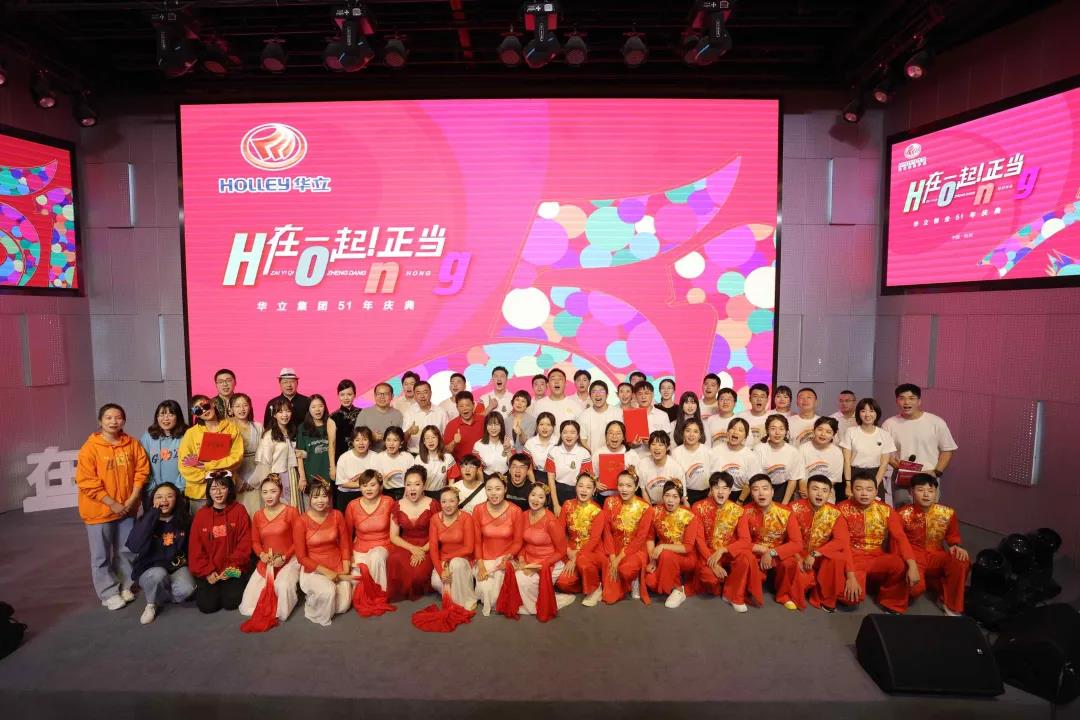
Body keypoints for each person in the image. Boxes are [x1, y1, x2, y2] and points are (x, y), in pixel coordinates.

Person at [76, 403, 151, 611]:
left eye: (117, 417)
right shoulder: (90, 448)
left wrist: (131, 499)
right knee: (101, 555)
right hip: (99, 511)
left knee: (126, 550)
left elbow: (141, 471)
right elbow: (87, 482)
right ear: (100, 421)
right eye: (108, 418)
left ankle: (125, 585)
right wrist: (112, 503)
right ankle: (108, 593)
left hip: (127, 509)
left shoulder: (132, 444)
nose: (113, 421)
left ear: (123, 421)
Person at [838, 476, 919, 614]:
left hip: (876, 556)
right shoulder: (841, 509)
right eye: (859, 489)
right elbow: (843, 544)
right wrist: (850, 577)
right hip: (852, 557)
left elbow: (900, 538)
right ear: (851, 490)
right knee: (850, 598)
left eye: (869, 489)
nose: (864, 493)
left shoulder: (885, 509)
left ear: (876, 492)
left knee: (899, 565)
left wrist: (913, 565)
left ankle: (892, 603)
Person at [725, 474, 803, 612]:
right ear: (751, 494)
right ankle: (737, 594)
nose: (761, 493)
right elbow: (741, 541)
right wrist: (761, 549)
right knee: (744, 557)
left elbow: (797, 543)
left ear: (772, 491)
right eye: (755, 489)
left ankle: (784, 596)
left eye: (765, 488)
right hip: (754, 553)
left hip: (777, 553)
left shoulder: (786, 512)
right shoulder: (745, 512)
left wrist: (772, 552)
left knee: (790, 562)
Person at [897, 474, 970, 616]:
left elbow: (953, 536)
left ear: (936, 493)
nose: (926, 495)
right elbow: (897, 542)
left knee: (960, 560)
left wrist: (956, 545)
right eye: (920, 490)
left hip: (936, 554)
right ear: (911, 492)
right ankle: (933, 583)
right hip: (913, 556)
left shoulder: (947, 513)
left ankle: (951, 604)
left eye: (930, 491)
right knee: (914, 589)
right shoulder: (902, 514)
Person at [126, 482, 194, 624]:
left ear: (176, 499)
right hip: (151, 569)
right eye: (159, 497)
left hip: (175, 567)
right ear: (152, 501)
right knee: (158, 575)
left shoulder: (184, 520)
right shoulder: (146, 520)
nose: (164, 500)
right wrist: (152, 515)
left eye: (169, 496)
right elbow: (134, 546)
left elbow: (190, 548)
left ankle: (161, 595)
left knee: (187, 590)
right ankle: (151, 604)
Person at [781, 475, 851, 612]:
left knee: (837, 558)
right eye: (815, 489)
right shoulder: (793, 508)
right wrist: (797, 557)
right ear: (807, 491)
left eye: (824, 491)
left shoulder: (835, 513)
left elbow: (841, 541)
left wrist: (815, 553)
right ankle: (789, 594)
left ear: (829, 494)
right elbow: (786, 537)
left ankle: (825, 599)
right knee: (794, 571)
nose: (819, 494)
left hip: (820, 555)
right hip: (796, 553)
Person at [239, 475, 301, 623]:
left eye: (273, 491)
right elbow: (255, 541)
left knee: (282, 587)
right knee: (249, 602)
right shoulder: (258, 515)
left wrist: (284, 557)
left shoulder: (291, 512)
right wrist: (261, 555)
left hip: (290, 558)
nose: (269, 496)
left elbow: (299, 541)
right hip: (268, 560)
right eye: (265, 492)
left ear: (280, 491)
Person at [883, 383, 958, 506]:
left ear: (919, 401)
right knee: (902, 511)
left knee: (928, 513)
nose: (906, 402)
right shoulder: (889, 424)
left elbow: (947, 449)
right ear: (897, 401)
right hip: (902, 476)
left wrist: (936, 472)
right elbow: (884, 451)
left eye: (911, 398)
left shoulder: (936, 422)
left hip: (928, 475)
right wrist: (896, 465)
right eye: (902, 398)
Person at [188, 471, 253, 614]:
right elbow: (195, 549)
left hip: (234, 568)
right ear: (209, 491)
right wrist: (207, 572)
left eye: (222, 488)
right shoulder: (201, 515)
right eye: (213, 488)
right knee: (207, 606)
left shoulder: (239, 510)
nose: (218, 492)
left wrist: (231, 569)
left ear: (229, 489)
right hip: (209, 570)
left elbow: (245, 543)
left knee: (232, 602)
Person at [293, 480, 352, 626]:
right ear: (309, 498)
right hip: (314, 568)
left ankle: (322, 596)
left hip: (336, 563)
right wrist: (326, 572)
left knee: (342, 606)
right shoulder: (301, 521)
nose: (320, 501)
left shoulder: (337, 515)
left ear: (329, 497)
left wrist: (346, 566)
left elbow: (345, 544)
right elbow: (301, 557)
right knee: (328, 592)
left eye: (324, 496)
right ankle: (312, 600)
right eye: (315, 497)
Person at [514, 483, 576, 616]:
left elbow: (561, 551)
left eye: (541, 497)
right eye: (533, 495)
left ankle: (533, 607)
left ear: (545, 500)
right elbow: (521, 542)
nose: (536, 500)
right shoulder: (523, 515)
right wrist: (521, 559)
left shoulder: (551, 521)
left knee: (521, 580)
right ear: (528, 496)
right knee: (511, 575)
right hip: (528, 559)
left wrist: (540, 566)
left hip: (549, 562)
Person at [691, 472, 752, 601]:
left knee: (746, 558)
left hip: (728, 552)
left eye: (725, 488)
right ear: (711, 489)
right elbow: (699, 539)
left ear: (730, 491)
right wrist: (712, 563)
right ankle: (722, 585)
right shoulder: (698, 507)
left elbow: (745, 540)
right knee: (710, 579)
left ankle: (733, 592)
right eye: (716, 488)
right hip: (707, 553)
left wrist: (723, 550)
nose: (720, 492)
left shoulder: (738, 511)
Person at [178, 395, 243, 512]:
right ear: (195, 414)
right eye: (198, 410)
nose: (204, 410)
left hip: (225, 490)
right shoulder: (190, 434)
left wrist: (207, 466)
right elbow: (185, 466)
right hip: (200, 494)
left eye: (206, 406)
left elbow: (236, 458)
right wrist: (209, 476)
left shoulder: (231, 428)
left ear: (213, 403)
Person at [472, 475, 524, 615]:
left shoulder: (515, 511)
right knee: (485, 592)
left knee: (495, 596)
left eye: (498, 489)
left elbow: (518, 541)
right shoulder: (478, 509)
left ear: (505, 489)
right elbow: (477, 541)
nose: (493, 493)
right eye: (489, 489)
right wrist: (481, 566)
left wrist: (508, 557)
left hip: (505, 558)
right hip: (485, 558)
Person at [645, 481, 702, 608]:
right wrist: (652, 561)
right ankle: (671, 580)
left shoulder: (689, 515)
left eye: (675, 497)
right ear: (662, 496)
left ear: (680, 498)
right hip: (661, 555)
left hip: (686, 557)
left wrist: (663, 546)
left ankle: (678, 590)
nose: (670, 500)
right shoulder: (655, 511)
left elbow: (688, 547)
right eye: (667, 495)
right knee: (650, 582)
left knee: (666, 555)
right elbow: (649, 538)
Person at [601, 470, 655, 604]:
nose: (624, 489)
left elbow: (640, 538)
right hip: (614, 546)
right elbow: (607, 532)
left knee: (625, 569)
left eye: (629, 486)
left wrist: (619, 558)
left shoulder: (645, 507)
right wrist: (612, 557)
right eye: (621, 485)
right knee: (610, 590)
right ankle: (624, 585)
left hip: (636, 548)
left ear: (636, 487)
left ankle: (634, 578)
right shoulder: (609, 502)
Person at [554, 474, 606, 607]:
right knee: (563, 583)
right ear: (575, 487)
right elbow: (559, 533)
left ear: (594, 490)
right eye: (580, 486)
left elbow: (594, 540)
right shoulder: (567, 505)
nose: (584, 490)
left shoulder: (597, 511)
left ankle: (595, 588)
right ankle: (584, 581)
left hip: (592, 551)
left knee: (583, 562)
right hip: (570, 549)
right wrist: (567, 550)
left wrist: (575, 558)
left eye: (588, 487)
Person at [386, 466, 435, 602]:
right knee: (394, 559)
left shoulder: (433, 504)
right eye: (408, 484)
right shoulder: (397, 505)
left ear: (424, 485)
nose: (412, 488)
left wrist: (422, 550)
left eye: (417, 484)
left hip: (427, 544)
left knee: (418, 575)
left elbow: (437, 535)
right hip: (406, 544)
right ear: (404, 486)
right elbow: (394, 536)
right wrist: (413, 549)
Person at [344, 469, 393, 593]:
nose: (368, 489)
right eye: (364, 485)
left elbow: (395, 531)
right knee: (354, 580)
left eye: (373, 485)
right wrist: (349, 556)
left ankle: (378, 595)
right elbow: (347, 534)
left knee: (376, 557)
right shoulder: (352, 505)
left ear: (380, 486)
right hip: (360, 548)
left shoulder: (388, 502)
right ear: (360, 487)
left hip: (383, 547)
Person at [429, 486, 477, 610]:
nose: (448, 505)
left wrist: (446, 558)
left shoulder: (466, 518)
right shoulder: (435, 519)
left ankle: (464, 600)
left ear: (458, 501)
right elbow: (433, 549)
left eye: (452, 501)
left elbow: (469, 548)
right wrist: (441, 571)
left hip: (463, 559)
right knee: (436, 582)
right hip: (444, 560)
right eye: (444, 501)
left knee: (456, 564)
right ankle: (458, 592)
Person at [840, 398, 895, 501]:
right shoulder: (850, 432)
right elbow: (846, 461)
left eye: (871, 411)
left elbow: (884, 464)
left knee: (877, 509)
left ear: (877, 413)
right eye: (863, 411)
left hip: (875, 475)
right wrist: (848, 484)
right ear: (858, 413)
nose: (867, 414)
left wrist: (875, 485)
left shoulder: (884, 435)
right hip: (854, 474)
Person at [139, 400, 188, 508]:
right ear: (157, 417)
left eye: (170, 414)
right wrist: (155, 491)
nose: (166, 418)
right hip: (153, 493)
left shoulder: (187, 435)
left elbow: (189, 465)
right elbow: (142, 466)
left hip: (180, 492)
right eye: (162, 414)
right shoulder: (147, 437)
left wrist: (177, 490)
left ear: (178, 417)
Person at [256, 398, 304, 507]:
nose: (285, 415)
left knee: (294, 506)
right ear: (274, 415)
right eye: (280, 412)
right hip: (277, 476)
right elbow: (264, 463)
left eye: (288, 411)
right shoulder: (269, 435)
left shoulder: (291, 432)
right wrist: (269, 483)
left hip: (292, 474)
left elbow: (297, 453)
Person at [749, 414, 805, 504]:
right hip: (762, 488)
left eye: (781, 429)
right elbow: (756, 477)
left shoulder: (793, 451)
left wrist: (784, 504)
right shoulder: (759, 449)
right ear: (767, 430)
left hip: (784, 490)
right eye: (773, 429)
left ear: (786, 431)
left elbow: (793, 480)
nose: (777, 433)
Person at [543, 420, 593, 506]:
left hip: (577, 493)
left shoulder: (584, 453)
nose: (568, 436)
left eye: (573, 432)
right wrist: (556, 505)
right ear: (561, 435)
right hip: (557, 492)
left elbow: (586, 480)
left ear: (578, 435)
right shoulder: (553, 451)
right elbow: (551, 480)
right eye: (565, 432)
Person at [229, 393, 264, 515]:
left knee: (256, 510)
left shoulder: (258, 427)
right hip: (235, 473)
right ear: (231, 409)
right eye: (237, 406)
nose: (242, 409)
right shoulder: (227, 428)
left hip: (256, 472)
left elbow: (264, 455)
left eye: (245, 405)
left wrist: (256, 479)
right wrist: (238, 481)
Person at [709, 418, 762, 495]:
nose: (735, 432)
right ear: (727, 432)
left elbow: (752, 483)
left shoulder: (751, 456)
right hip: (717, 493)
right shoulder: (715, 451)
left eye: (740, 430)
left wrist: (740, 500)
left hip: (741, 495)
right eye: (733, 428)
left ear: (745, 436)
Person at [296, 394, 337, 493]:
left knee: (328, 500)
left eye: (320, 406)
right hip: (310, 474)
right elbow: (299, 455)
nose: (317, 410)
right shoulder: (303, 428)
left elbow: (334, 446)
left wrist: (333, 468)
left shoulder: (330, 424)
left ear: (325, 407)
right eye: (313, 407)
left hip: (329, 473)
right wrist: (302, 477)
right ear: (308, 409)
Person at [634, 430, 686, 504]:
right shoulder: (642, 464)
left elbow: (682, 496)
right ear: (649, 446)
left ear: (668, 447)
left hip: (670, 505)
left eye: (661, 445)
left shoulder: (676, 468)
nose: (657, 448)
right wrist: (650, 509)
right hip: (650, 504)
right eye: (653, 444)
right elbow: (643, 490)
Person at [798, 417, 843, 500]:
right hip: (804, 490)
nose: (823, 434)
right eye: (820, 430)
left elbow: (834, 478)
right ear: (814, 430)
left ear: (833, 435)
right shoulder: (803, 449)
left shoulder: (837, 452)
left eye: (828, 432)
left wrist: (819, 492)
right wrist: (806, 491)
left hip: (826, 491)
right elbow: (800, 475)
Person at [334, 426, 376, 512]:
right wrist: (364, 484)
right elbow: (341, 483)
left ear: (370, 442)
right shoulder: (344, 458)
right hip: (347, 495)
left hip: (369, 494)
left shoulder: (376, 457)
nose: (361, 443)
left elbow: (379, 479)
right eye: (357, 440)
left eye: (365, 439)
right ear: (352, 442)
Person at [672, 419, 712, 505]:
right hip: (686, 495)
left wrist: (712, 491)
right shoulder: (676, 453)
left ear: (700, 435)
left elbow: (715, 473)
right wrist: (683, 498)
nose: (691, 434)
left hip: (708, 493)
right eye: (688, 431)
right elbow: (675, 479)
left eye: (695, 431)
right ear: (683, 433)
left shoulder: (708, 451)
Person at [576, 380, 623, 452]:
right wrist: (593, 456)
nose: (598, 394)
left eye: (601, 391)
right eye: (594, 392)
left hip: (614, 456)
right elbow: (582, 441)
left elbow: (623, 439)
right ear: (590, 396)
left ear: (607, 395)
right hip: (591, 457)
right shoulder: (583, 416)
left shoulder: (618, 413)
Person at [402, 380, 448, 454]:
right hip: (415, 454)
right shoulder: (409, 412)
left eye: (425, 392)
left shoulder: (441, 412)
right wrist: (409, 432)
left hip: (436, 454)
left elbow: (446, 437)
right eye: (418, 393)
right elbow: (402, 439)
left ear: (431, 393)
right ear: (414, 395)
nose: (422, 396)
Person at [356, 382, 404, 451]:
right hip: (368, 454)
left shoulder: (398, 414)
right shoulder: (364, 413)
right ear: (375, 396)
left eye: (386, 394)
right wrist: (371, 437)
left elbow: (401, 437)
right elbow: (356, 436)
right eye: (379, 394)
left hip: (390, 454)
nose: (382, 397)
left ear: (392, 396)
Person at [590, 420, 630, 501]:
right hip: (603, 496)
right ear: (606, 436)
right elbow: (592, 475)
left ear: (623, 437)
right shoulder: (598, 453)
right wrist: (595, 484)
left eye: (618, 433)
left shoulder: (631, 454)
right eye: (611, 433)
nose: (614, 436)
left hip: (625, 497)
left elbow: (637, 479)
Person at [373, 426, 415, 500]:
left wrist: (406, 497)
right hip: (385, 494)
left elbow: (412, 479)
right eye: (388, 440)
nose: (391, 443)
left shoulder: (408, 457)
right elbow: (376, 482)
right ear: (384, 441)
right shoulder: (378, 458)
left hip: (406, 492)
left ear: (401, 442)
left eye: (395, 440)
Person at [443, 391, 485, 464]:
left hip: (483, 466)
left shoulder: (483, 420)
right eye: (461, 406)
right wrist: (454, 442)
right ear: (457, 407)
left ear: (473, 405)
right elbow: (445, 451)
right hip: (462, 468)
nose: (464, 409)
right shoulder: (451, 425)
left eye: (467, 405)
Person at [417, 425, 459, 498]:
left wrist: (449, 496)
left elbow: (451, 480)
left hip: (441, 494)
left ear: (439, 439)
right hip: (423, 494)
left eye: (433, 437)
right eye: (427, 438)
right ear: (424, 441)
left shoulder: (448, 458)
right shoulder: (418, 459)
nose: (430, 441)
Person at [474, 412, 513, 477]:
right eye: (490, 424)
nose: (493, 428)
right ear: (486, 426)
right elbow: (477, 470)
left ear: (501, 426)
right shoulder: (478, 445)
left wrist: (508, 450)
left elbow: (513, 466)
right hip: (486, 478)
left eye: (497, 424)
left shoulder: (509, 442)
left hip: (506, 478)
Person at [330, 379, 361, 461]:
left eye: (349, 394)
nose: (346, 398)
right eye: (342, 395)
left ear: (354, 395)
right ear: (338, 395)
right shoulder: (333, 417)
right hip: (341, 458)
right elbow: (331, 444)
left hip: (361, 455)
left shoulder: (362, 413)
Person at [524, 411, 557, 485]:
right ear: (537, 426)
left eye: (548, 425)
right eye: (541, 424)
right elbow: (528, 469)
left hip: (555, 480)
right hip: (534, 478)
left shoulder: (558, 442)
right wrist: (535, 486)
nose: (544, 428)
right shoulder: (530, 443)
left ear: (553, 427)